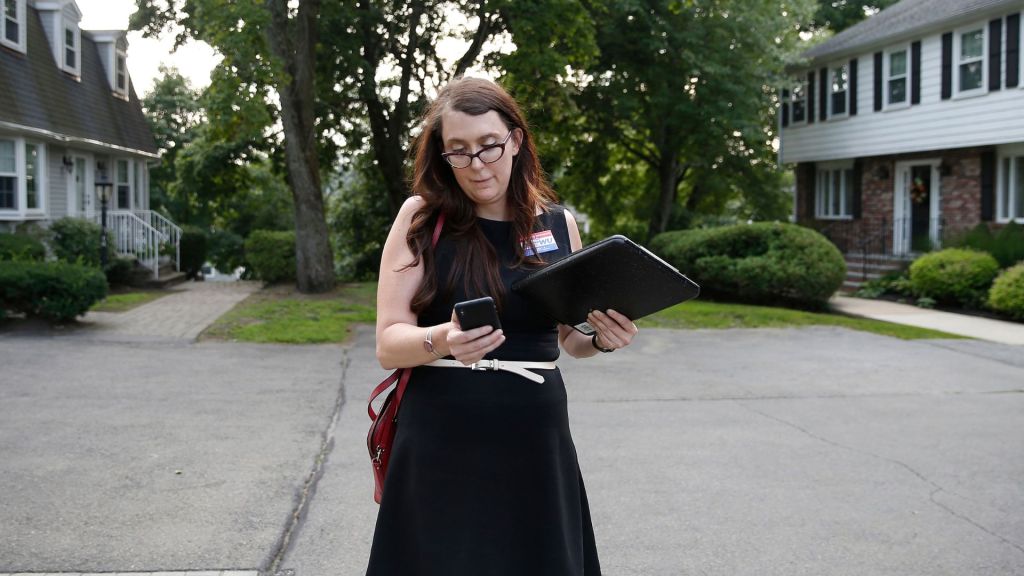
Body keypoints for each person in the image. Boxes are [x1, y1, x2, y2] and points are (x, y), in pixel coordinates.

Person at [367, 77, 638, 576]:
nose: (477, 164)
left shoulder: (558, 224)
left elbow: (568, 339)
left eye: (488, 145)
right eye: (459, 151)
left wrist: (601, 339)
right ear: (443, 155)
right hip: (440, 437)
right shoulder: (422, 219)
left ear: (514, 140)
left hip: (534, 438)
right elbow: (388, 343)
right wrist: (443, 340)